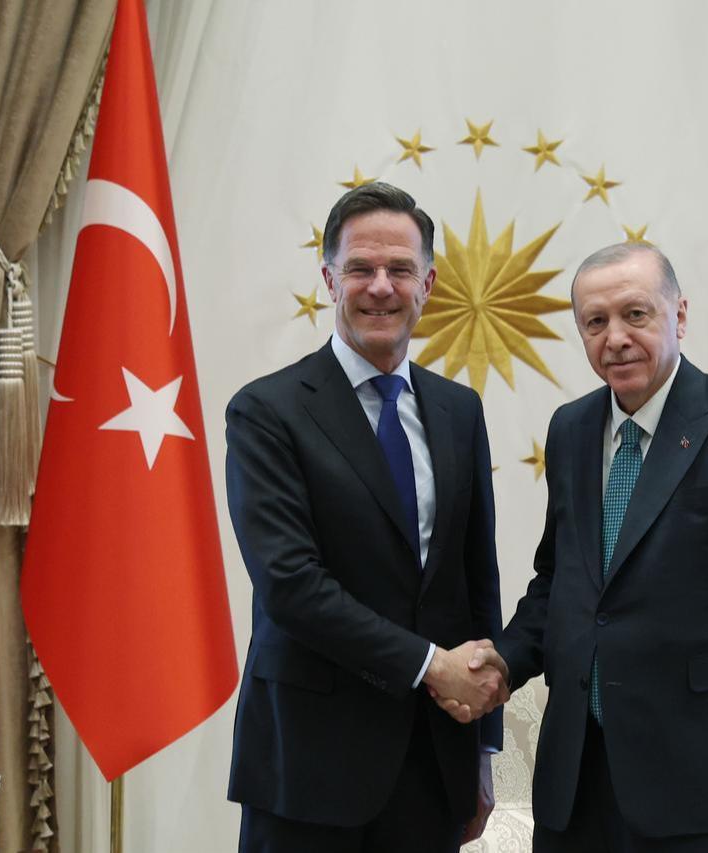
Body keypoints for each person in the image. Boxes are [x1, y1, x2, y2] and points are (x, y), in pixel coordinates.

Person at [466, 243, 708, 852]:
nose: (616, 339)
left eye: (636, 315)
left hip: (702, 786)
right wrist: (502, 662)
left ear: (678, 315)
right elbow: (561, 581)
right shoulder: (571, 429)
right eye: (595, 322)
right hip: (576, 781)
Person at [225, 182, 509, 852]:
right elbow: (292, 585)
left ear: (429, 283)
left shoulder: (458, 411)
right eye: (361, 268)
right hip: (308, 767)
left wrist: (481, 751)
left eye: (400, 269)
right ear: (330, 278)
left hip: (433, 765)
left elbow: (476, 583)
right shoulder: (267, 412)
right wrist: (430, 664)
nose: (380, 287)